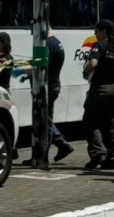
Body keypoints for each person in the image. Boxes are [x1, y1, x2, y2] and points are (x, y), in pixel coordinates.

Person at [18, 28, 74, 165]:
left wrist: (22, 70)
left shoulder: (47, 44)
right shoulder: (57, 43)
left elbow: (40, 67)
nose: (33, 35)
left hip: (45, 89)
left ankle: (59, 145)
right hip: (52, 86)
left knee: (43, 121)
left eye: (34, 32)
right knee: (46, 120)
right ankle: (44, 154)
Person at [82, 19, 114, 170]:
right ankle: (111, 157)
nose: (95, 34)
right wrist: (112, 77)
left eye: (96, 31)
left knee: (91, 122)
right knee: (111, 124)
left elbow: (93, 64)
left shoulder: (98, 46)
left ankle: (97, 155)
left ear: (104, 32)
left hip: (100, 89)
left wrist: (86, 72)